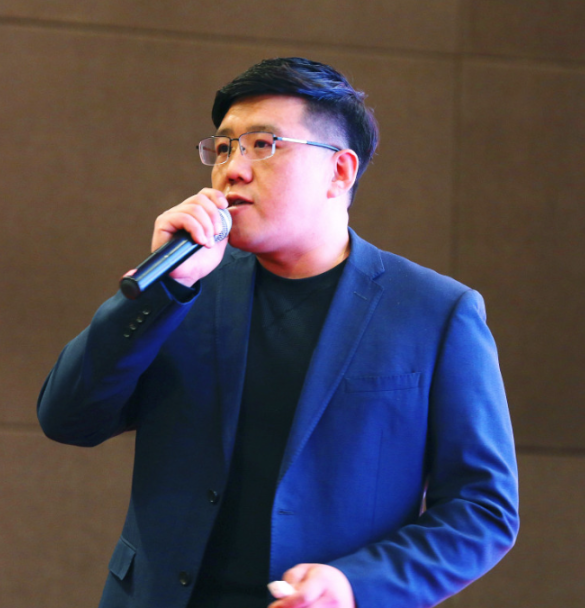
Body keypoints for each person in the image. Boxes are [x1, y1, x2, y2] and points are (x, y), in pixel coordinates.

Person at [38, 57, 519, 608]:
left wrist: (356, 585)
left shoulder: (435, 312)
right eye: (224, 148)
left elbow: (483, 509)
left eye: (263, 145)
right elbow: (68, 419)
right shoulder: (186, 287)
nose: (233, 169)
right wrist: (161, 290)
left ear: (340, 171)